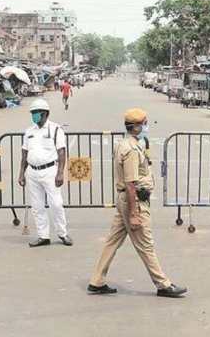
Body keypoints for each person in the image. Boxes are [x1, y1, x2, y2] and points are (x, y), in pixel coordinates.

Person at [88, 108, 186, 298]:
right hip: (134, 201)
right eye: (144, 123)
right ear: (136, 127)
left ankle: (96, 280)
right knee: (145, 244)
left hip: (125, 200)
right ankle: (163, 284)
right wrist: (134, 213)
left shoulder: (125, 144)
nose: (146, 126)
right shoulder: (131, 150)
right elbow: (131, 183)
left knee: (112, 241)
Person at [18, 98, 72, 248]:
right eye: (33, 113)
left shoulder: (55, 129)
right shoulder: (29, 131)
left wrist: (60, 172)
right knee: (37, 206)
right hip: (33, 172)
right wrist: (21, 173)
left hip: (49, 171)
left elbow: (61, 152)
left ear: (45, 113)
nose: (34, 115)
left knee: (56, 204)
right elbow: (24, 154)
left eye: (37, 112)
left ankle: (62, 233)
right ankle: (43, 235)